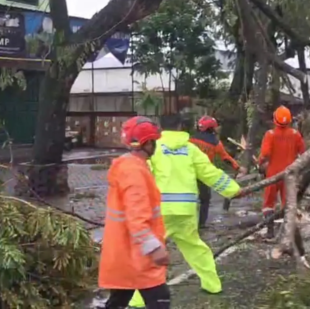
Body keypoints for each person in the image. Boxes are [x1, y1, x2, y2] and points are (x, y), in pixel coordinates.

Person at [128, 116, 241, 307]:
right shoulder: (191, 149)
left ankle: (138, 299)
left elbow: (142, 175)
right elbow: (210, 173)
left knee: (148, 252)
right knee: (195, 248)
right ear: (181, 127)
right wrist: (233, 190)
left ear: (161, 128)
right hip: (186, 210)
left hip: (160, 211)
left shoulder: (154, 148)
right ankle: (212, 285)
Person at [99, 117, 171, 309]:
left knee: (119, 300)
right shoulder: (135, 172)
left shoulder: (128, 167)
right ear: (147, 143)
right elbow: (137, 216)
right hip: (138, 255)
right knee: (160, 299)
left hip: (125, 252)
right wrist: (154, 248)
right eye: (153, 141)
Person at [190, 115, 247, 229]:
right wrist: (238, 168)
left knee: (190, 199)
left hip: (189, 172)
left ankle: (189, 223)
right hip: (205, 174)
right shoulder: (215, 142)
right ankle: (201, 224)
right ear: (211, 128)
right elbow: (225, 158)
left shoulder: (191, 139)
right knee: (205, 200)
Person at [258, 105, 306, 238]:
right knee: (287, 203)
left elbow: (265, 154)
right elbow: (303, 153)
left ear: (275, 119)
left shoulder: (270, 134)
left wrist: (260, 163)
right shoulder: (295, 134)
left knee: (269, 203)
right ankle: (287, 232)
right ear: (290, 120)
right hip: (289, 174)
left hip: (273, 174)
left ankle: (270, 231)